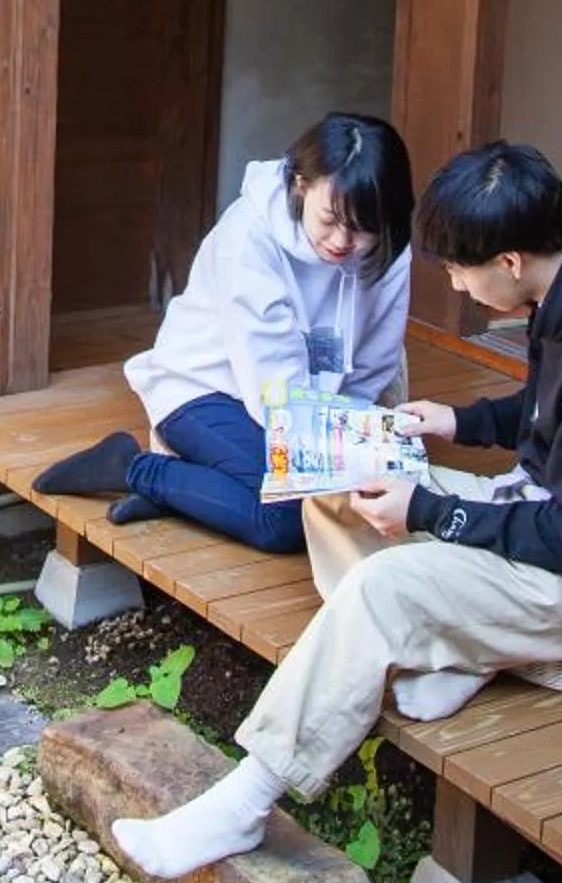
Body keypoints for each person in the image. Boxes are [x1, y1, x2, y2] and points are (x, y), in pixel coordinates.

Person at [108, 140, 562, 881]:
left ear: (508, 262)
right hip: (555, 507)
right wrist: (460, 425)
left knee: (385, 583)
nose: (457, 287)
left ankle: (245, 802)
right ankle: (430, 652)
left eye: (461, 271)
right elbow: (548, 408)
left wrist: (432, 511)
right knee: (336, 490)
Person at [32, 113, 414, 554]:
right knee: (287, 519)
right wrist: (334, 466)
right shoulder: (249, 239)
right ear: (300, 184)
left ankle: (188, 491)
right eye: (330, 218)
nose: (342, 240)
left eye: (363, 227)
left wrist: (351, 443)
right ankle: (132, 468)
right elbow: (273, 390)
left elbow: (375, 361)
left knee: (364, 492)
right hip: (204, 389)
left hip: (310, 414)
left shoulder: (387, 246)